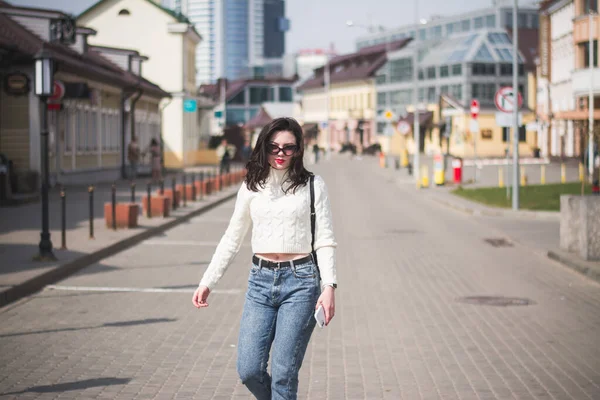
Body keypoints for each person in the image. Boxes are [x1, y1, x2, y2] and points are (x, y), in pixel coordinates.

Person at [193, 117, 337, 400]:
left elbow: (325, 239)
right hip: (259, 281)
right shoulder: (251, 185)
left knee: (284, 374)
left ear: (298, 150)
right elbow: (232, 238)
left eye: (288, 148)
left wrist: (329, 286)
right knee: (248, 368)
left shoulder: (312, 185)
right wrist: (207, 280)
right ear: (263, 147)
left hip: (301, 282)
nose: (280, 154)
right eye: (273, 147)